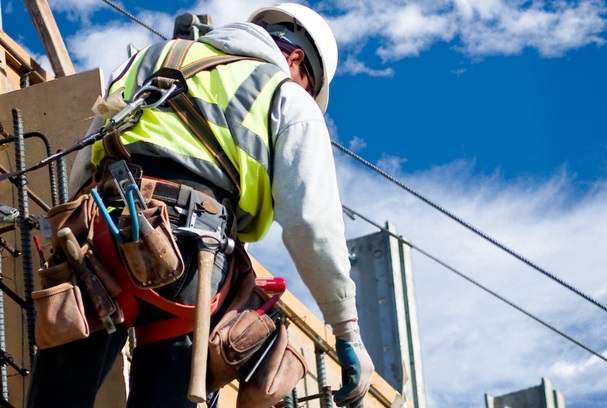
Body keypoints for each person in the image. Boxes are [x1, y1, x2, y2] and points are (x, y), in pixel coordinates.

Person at [27, 3, 373, 407]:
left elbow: (87, 157)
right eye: (310, 86)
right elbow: (313, 224)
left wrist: (72, 235)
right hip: (194, 256)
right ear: (296, 58)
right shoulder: (285, 93)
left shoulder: (154, 57)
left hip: (104, 230)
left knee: (57, 398)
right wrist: (346, 329)